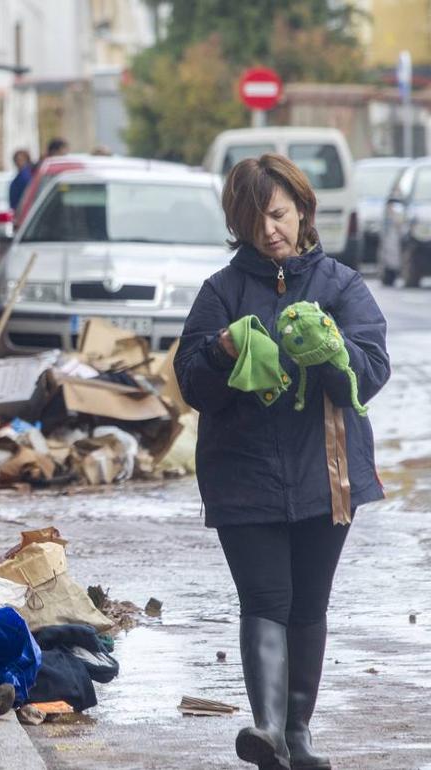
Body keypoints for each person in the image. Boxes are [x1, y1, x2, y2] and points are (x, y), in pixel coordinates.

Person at [174, 154, 389, 770]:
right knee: (265, 598)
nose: (269, 229)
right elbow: (191, 383)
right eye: (254, 219)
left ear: (302, 211)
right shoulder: (221, 291)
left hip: (328, 475)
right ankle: (266, 729)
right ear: (237, 225)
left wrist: (332, 348)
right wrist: (219, 352)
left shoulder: (341, 286)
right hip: (244, 476)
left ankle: (298, 733)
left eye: (278, 214)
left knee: (308, 605)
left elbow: (368, 375)